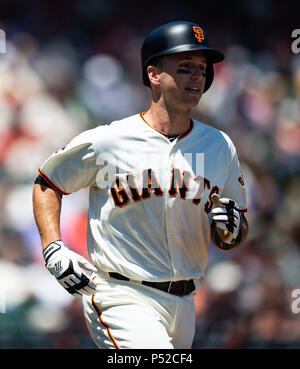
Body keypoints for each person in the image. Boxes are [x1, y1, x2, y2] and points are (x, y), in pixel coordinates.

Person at [33, 21, 248, 349]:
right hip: (122, 295)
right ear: (154, 74)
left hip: (186, 302)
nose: (197, 76)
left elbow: (233, 234)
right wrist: (53, 247)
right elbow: (47, 182)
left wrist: (233, 231)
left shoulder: (219, 146)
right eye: (185, 67)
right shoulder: (110, 140)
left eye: (202, 69)